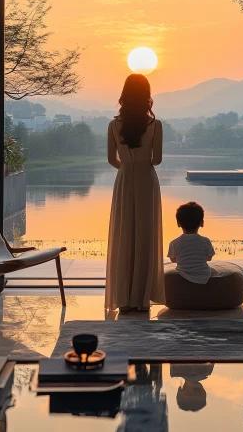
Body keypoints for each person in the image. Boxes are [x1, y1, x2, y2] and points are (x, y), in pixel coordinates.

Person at [105, 73, 165, 313]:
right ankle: (142, 298)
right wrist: (141, 163)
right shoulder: (155, 125)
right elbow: (157, 160)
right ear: (147, 96)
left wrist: (128, 167)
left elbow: (112, 159)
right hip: (147, 179)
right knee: (145, 236)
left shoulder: (113, 124)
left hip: (124, 179)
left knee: (124, 235)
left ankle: (124, 298)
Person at [167, 202, 215, 284]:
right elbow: (209, 258)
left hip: (182, 274)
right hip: (204, 275)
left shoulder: (174, 243)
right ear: (201, 223)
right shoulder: (205, 241)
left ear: (178, 223)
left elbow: (173, 260)